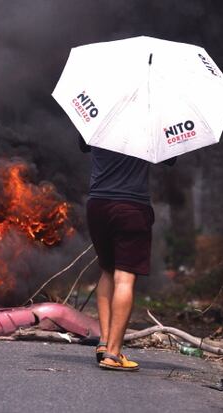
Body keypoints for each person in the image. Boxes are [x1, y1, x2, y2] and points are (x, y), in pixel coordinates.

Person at [79, 135, 175, 371]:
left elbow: (83, 145)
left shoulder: (103, 113)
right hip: (131, 207)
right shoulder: (149, 120)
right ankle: (113, 354)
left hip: (97, 204)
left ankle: (103, 342)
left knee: (107, 271)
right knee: (125, 277)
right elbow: (170, 158)